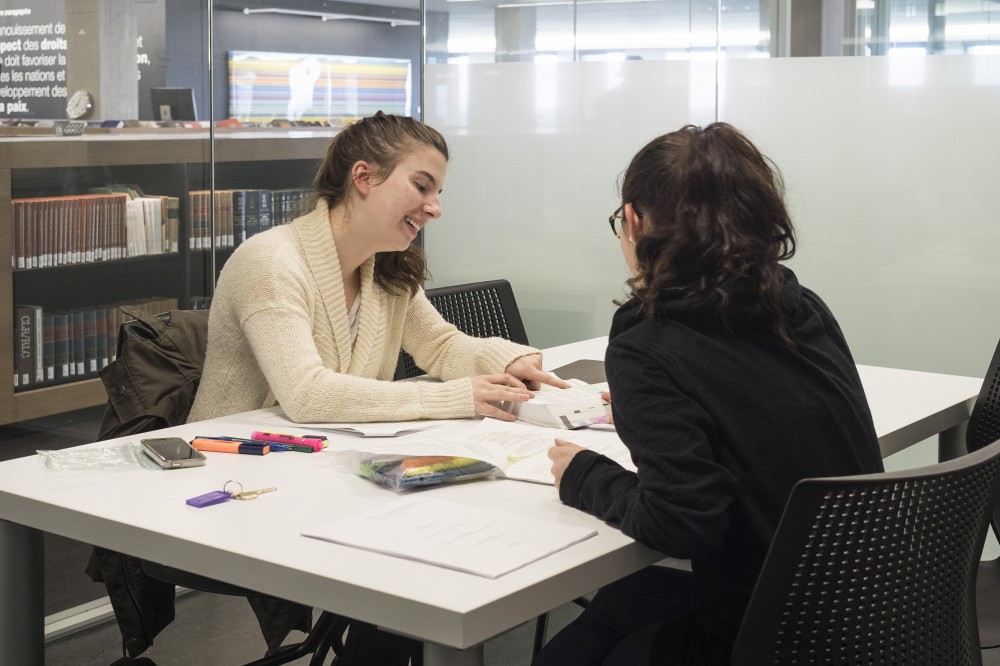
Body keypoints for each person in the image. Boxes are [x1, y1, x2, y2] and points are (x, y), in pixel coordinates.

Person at [534, 123, 884, 665]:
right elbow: (749, 404)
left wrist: (582, 473)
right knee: (617, 604)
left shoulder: (648, 347)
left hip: (767, 639)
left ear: (633, 221)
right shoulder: (798, 306)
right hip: (869, 614)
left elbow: (681, 520)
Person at [189, 111, 566, 425]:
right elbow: (306, 395)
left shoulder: (385, 266)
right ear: (364, 177)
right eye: (422, 186)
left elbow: (440, 345)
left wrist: (506, 360)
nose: (435, 208)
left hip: (325, 460)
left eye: (437, 194)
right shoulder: (270, 262)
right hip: (227, 466)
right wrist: (453, 397)